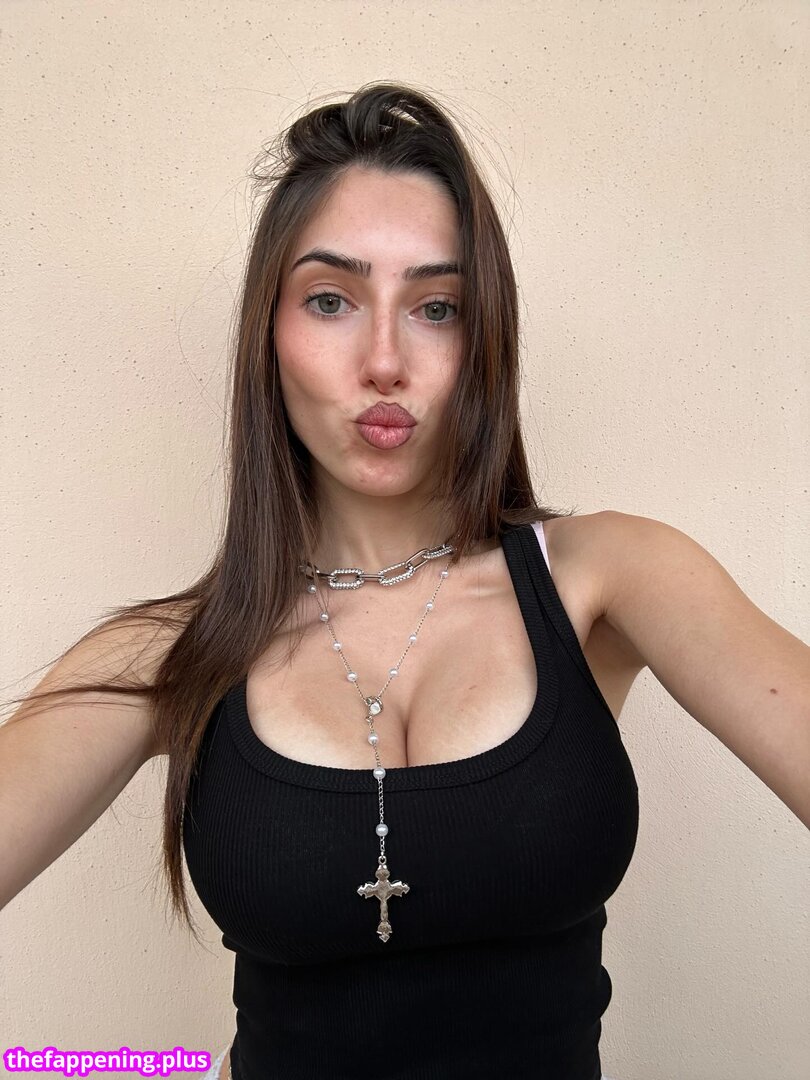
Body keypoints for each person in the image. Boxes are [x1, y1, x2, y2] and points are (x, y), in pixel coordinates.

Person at [2, 81, 808, 1080]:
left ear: (485, 339)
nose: (384, 360)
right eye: (330, 300)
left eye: (437, 308)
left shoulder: (608, 579)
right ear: (268, 332)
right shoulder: (173, 654)